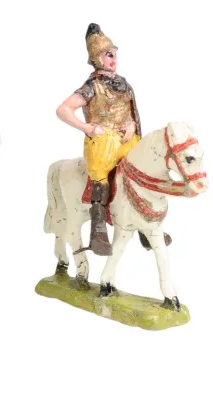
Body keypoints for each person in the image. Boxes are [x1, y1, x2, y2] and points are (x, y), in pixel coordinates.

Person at [55, 23, 143, 256]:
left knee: (142, 172)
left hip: (127, 140)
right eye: (108, 55)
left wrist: (132, 126)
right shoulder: (92, 86)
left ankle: (144, 228)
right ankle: (98, 231)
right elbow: (63, 110)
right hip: (103, 141)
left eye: (114, 54)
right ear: (97, 59)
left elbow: (132, 114)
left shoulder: (125, 85)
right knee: (100, 175)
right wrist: (86, 128)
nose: (114, 59)